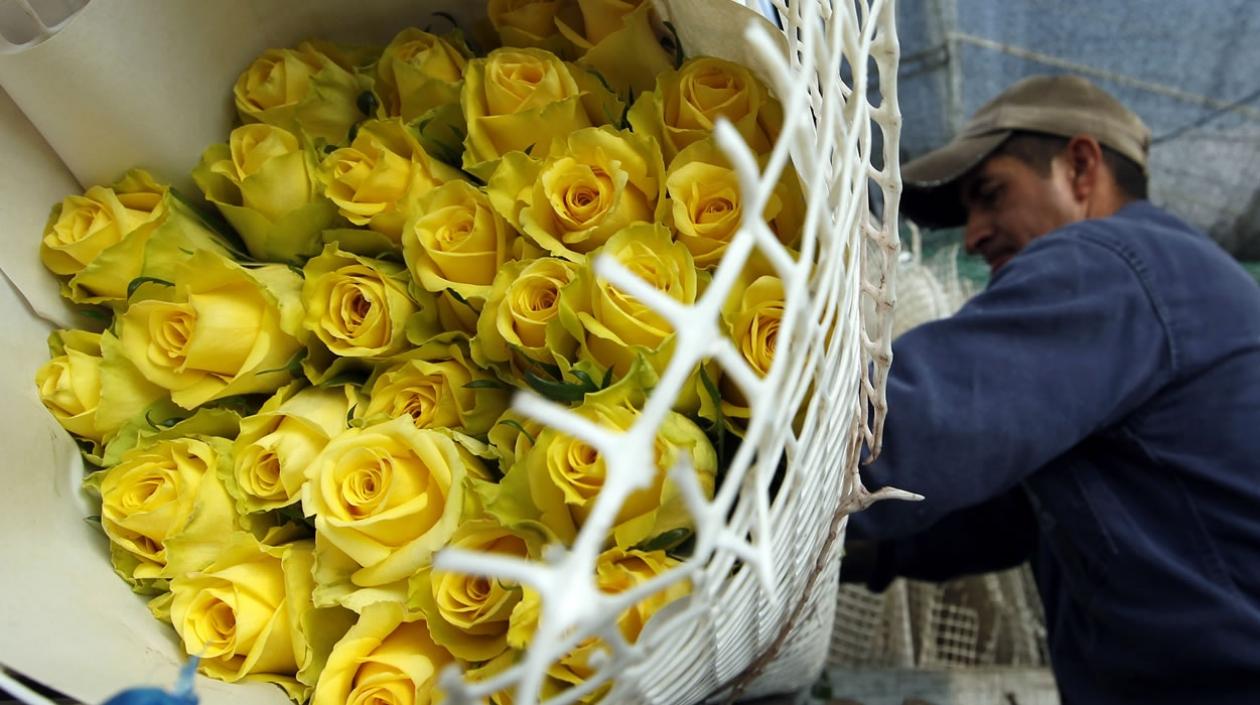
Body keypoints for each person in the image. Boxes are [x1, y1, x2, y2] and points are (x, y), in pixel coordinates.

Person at [842, 74, 1260, 704]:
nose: (976, 233)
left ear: (1081, 168)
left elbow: (901, 432)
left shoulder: (1109, 262)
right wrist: (857, 560)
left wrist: (731, 463)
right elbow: (1012, 517)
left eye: (990, 195)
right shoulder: (1185, 279)